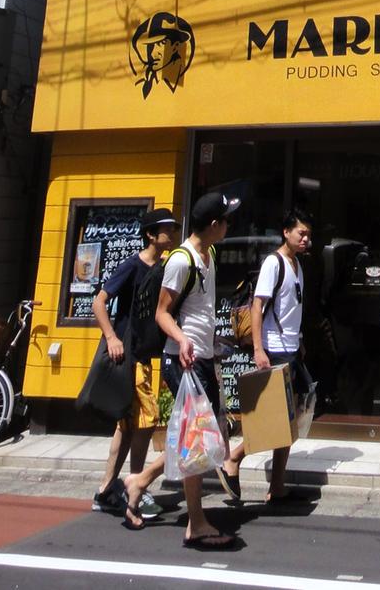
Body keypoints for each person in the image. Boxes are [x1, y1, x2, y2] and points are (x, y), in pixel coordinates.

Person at [154, 190, 240, 550]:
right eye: (226, 219)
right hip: (182, 361)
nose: (229, 225)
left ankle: (140, 481)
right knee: (197, 441)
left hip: (202, 358)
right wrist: (183, 340)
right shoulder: (181, 261)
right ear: (214, 225)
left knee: (206, 438)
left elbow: (202, 308)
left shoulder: (210, 253)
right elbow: (162, 313)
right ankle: (197, 523)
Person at [90, 207, 179, 521]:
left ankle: (105, 490)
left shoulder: (166, 267)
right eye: (166, 229)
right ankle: (135, 486)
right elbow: (99, 301)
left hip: (145, 353)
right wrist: (112, 338)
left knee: (127, 427)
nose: (173, 232)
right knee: (146, 419)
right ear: (151, 235)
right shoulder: (132, 265)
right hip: (130, 354)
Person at [219, 207, 313, 504]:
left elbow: (292, 308)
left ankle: (277, 486)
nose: (305, 239)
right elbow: (257, 306)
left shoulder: (297, 265)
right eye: (301, 233)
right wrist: (259, 349)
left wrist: (300, 342)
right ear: (286, 232)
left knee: (289, 420)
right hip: (272, 349)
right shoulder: (274, 263)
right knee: (270, 419)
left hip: (291, 348)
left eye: (308, 234)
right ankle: (234, 458)